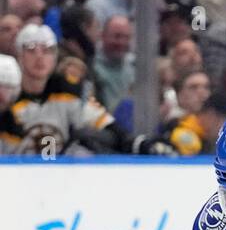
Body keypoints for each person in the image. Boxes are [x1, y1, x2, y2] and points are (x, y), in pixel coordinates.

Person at [0, 24, 172, 156]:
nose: (40, 57)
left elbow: (108, 127)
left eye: (47, 50)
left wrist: (138, 143)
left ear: (55, 56)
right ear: (19, 54)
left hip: (59, 180)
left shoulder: (69, 91)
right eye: (31, 49)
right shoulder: (6, 97)